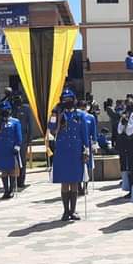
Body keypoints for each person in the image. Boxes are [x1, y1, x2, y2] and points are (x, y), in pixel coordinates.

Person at [48, 89, 89, 221]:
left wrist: (86, 149)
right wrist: (55, 112)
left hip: (76, 151)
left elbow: (84, 133)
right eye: (64, 100)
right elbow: (52, 128)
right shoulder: (59, 114)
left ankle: (73, 210)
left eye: (69, 99)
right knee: (65, 181)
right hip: (62, 151)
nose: (67, 102)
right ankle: (66, 211)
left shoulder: (80, 115)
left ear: (74, 100)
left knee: (75, 181)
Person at [0, 101, 23, 199]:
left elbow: (18, 136)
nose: (4, 112)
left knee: (12, 170)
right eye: (3, 110)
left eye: (6, 110)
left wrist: (17, 147)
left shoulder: (15, 122)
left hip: (11, 149)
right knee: (4, 171)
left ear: (10, 110)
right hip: (1, 149)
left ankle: (11, 189)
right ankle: (5, 190)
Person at [117, 98, 133, 198]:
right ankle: (130, 189)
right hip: (125, 144)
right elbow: (119, 131)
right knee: (127, 168)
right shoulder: (123, 116)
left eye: (131, 104)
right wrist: (122, 123)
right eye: (127, 104)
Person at [14, 96, 32, 188]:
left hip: (23, 138)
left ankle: (21, 180)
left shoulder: (26, 109)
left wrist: (29, 139)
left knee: (22, 160)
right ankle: (15, 181)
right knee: (14, 160)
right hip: (13, 139)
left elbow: (30, 124)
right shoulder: (12, 108)